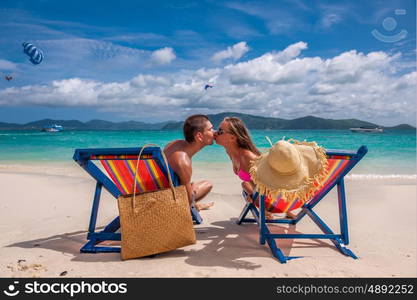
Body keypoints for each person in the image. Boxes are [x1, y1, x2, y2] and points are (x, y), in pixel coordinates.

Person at [215, 117, 328, 218]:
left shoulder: (247, 157)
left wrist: (255, 199)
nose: (215, 132)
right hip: (276, 201)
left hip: (273, 201)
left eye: (220, 131)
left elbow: (272, 183)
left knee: (245, 185)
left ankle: (275, 211)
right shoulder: (231, 152)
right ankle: (285, 211)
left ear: (232, 138)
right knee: (245, 185)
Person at [164, 114, 215, 211]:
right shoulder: (183, 161)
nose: (214, 132)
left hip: (161, 190)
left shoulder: (174, 144)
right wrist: (193, 202)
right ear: (199, 136)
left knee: (192, 185)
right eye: (210, 130)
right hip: (170, 198)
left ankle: (197, 204)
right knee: (207, 184)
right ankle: (197, 207)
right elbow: (187, 200)